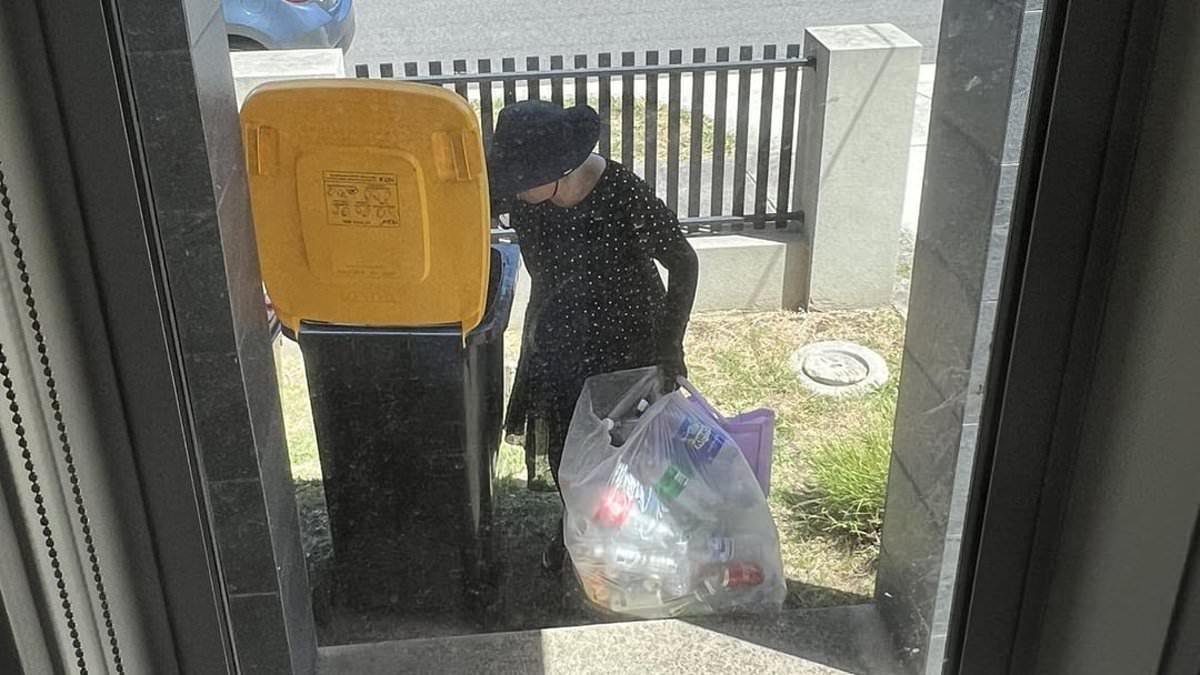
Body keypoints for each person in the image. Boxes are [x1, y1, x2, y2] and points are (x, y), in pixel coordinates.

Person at [488, 100, 699, 572]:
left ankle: (625, 539)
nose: (512, 195)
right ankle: (580, 530)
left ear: (560, 170)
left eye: (522, 185)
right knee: (569, 448)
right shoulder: (524, 187)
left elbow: (684, 261)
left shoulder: (622, 193)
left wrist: (670, 347)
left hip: (625, 341)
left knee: (625, 449)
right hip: (560, 337)